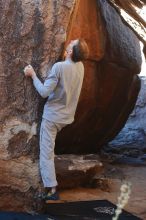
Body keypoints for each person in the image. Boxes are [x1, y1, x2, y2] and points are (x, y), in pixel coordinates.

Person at [24, 39, 89, 201]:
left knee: (46, 153)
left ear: (71, 51)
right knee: (50, 148)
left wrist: (32, 75)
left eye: (73, 43)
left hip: (52, 117)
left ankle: (51, 189)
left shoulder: (59, 67)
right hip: (66, 117)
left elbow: (44, 92)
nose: (72, 40)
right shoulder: (80, 67)